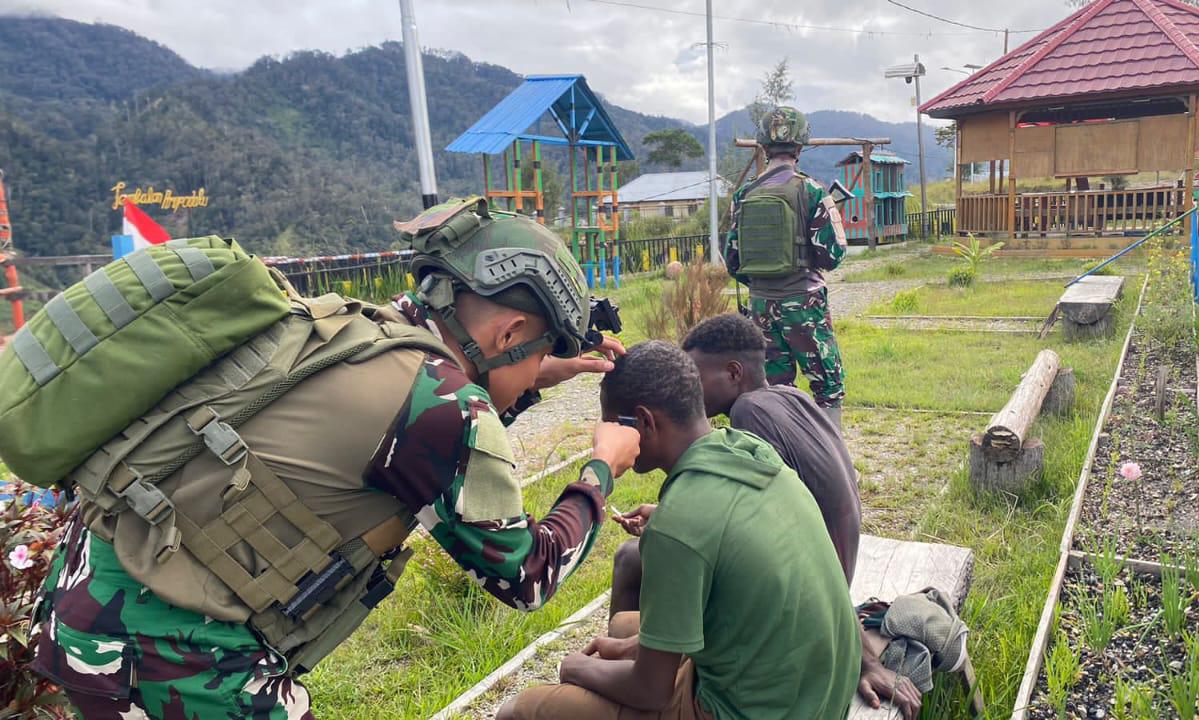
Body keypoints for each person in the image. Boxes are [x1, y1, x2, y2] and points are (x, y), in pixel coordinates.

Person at [29, 200, 641, 719]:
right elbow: (526, 576)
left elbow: (419, 450)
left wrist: (533, 379)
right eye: (535, 355)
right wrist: (600, 470)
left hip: (91, 594)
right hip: (173, 648)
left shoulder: (359, 327)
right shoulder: (447, 405)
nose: (535, 369)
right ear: (507, 336)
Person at [499, 341, 860, 720]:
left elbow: (651, 690)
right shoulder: (749, 451)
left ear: (643, 422)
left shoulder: (678, 524)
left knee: (520, 710)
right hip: (816, 693)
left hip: (751, 712)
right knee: (623, 630)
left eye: (612, 424)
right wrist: (630, 651)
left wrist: (576, 669)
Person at [611, 313, 921, 718]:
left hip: (804, 592)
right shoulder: (789, 396)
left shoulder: (748, 415)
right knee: (642, 579)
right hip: (816, 570)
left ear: (734, 373)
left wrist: (864, 659)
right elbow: (760, 505)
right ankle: (644, 665)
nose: (691, 391)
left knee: (633, 558)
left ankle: (633, 689)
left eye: (697, 377)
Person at [724, 105, 848, 428]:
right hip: (804, 305)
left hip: (761, 308)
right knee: (828, 387)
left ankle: (781, 461)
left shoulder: (743, 195)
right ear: (800, 146)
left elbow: (732, 259)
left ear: (764, 146)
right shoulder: (811, 191)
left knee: (774, 391)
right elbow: (833, 254)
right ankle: (830, 463)